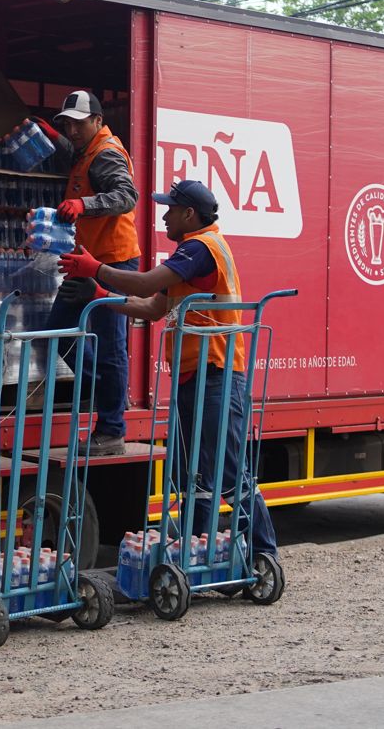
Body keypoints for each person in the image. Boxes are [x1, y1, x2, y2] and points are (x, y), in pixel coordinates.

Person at [57, 179, 277, 556]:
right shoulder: (192, 256)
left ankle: (262, 553)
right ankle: (196, 553)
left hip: (217, 374)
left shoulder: (200, 248)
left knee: (227, 473)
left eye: (170, 209)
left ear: (189, 214)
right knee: (193, 475)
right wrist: (101, 297)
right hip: (196, 375)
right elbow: (153, 308)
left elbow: (144, 285)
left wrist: (98, 270)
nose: (163, 215)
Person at [35, 90, 140, 457]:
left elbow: (127, 196)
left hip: (112, 264)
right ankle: (108, 394)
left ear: (96, 121)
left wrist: (84, 204)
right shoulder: (87, 149)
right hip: (86, 262)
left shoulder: (107, 152)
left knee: (110, 349)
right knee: (59, 332)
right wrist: (53, 136)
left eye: (79, 124)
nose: (74, 131)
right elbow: (78, 156)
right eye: (68, 125)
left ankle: (111, 431)